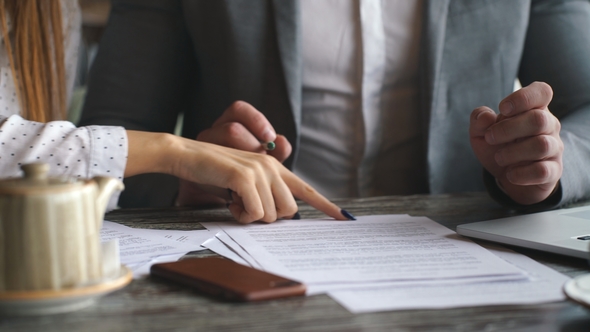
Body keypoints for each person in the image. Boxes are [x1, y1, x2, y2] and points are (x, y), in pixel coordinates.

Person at [81, 0, 590, 211]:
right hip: (242, 264)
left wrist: (548, 162)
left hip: (474, 262)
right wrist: (186, 177)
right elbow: (111, 130)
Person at [0, 0, 352, 223]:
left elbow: (46, 162)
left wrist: (187, 183)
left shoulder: (48, 11)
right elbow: (109, 127)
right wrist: (174, 158)